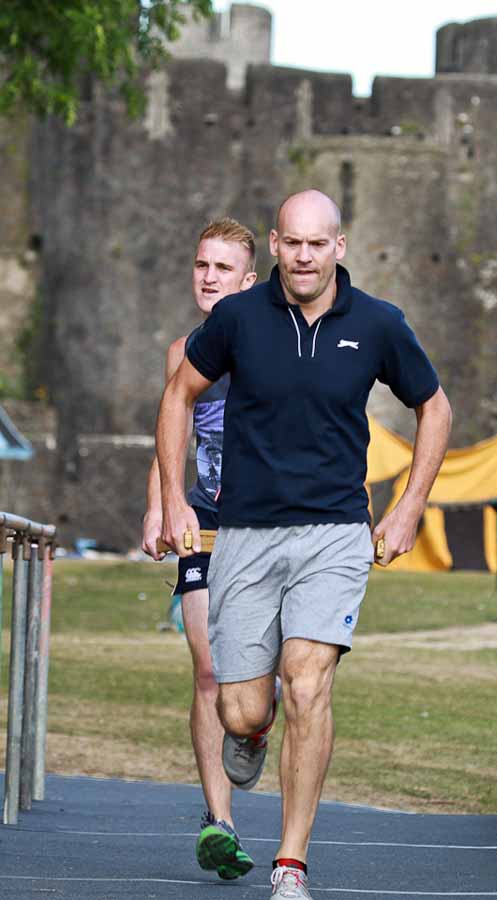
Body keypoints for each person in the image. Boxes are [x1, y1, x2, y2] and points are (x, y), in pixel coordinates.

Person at [155, 190, 452, 899]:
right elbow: (178, 396)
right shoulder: (236, 319)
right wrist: (171, 497)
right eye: (293, 243)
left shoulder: (378, 323)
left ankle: (291, 864)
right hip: (246, 534)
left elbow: (434, 406)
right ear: (275, 245)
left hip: (334, 532)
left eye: (318, 244)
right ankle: (254, 732)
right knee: (241, 709)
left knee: (308, 682)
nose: (305, 257)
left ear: (339, 247)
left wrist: (410, 506)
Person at [142, 218, 268, 881]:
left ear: (248, 281)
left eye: (223, 268)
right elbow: (171, 434)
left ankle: (255, 726)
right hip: (207, 522)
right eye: (201, 265)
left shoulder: (276, 345)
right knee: (209, 671)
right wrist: (160, 505)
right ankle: (220, 821)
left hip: (268, 528)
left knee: (263, 678)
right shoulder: (181, 352)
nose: (209, 277)